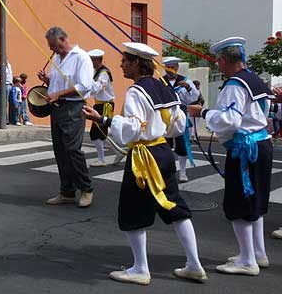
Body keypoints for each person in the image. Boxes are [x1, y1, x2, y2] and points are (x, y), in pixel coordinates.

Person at [83, 42, 206, 285]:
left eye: (125, 60)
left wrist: (104, 119)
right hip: (163, 150)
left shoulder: (136, 92)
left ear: (137, 63)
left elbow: (132, 129)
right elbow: (178, 124)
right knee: (174, 206)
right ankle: (194, 264)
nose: (121, 65)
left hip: (144, 156)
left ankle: (140, 268)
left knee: (132, 211)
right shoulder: (162, 87)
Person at [188, 37, 273, 276]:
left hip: (246, 149)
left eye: (218, 61)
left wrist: (202, 112)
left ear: (225, 60)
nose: (218, 66)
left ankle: (247, 261)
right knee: (254, 201)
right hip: (261, 144)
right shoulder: (254, 79)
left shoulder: (234, 85)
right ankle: (257, 252)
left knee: (239, 203)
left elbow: (230, 120)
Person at [37, 26, 95, 208]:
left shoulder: (81, 57)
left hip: (74, 107)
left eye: (53, 45)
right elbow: (59, 82)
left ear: (63, 39)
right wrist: (47, 80)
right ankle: (67, 191)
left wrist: (59, 94)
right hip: (57, 108)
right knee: (60, 150)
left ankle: (86, 189)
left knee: (72, 149)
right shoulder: (57, 57)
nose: (52, 49)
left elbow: (85, 85)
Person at [162, 57, 200, 183]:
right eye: (168, 67)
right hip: (165, 116)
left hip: (180, 115)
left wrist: (189, 88)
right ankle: (166, 171)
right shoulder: (161, 81)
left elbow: (194, 97)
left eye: (173, 67)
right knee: (164, 144)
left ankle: (182, 172)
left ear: (177, 67)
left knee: (182, 144)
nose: (171, 70)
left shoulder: (185, 80)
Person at [88, 49, 119, 167]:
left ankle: (102, 160)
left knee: (96, 132)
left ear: (97, 60)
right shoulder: (96, 72)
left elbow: (96, 88)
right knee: (101, 132)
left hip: (105, 105)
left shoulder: (103, 73)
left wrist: (88, 78)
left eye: (92, 60)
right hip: (99, 104)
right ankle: (117, 151)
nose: (90, 62)